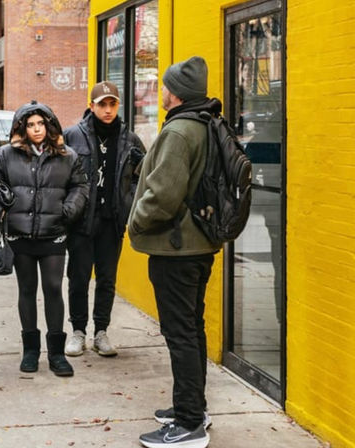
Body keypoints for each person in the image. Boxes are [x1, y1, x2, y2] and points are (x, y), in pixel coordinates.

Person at [128, 56, 218, 448]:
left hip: (176, 250)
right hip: (199, 245)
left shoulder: (180, 131)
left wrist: (135, 223)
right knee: (191, 330)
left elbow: (163, 195)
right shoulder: (207, 122)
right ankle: (192, 407)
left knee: (179, 333)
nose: (161, 90)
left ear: (176, 92)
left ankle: (188, 425)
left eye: (165, 85)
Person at [0, 101, 88, 377]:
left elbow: (81, 185)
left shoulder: (67, 155)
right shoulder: (5, 155)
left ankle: (57, 354)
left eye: (41, 123)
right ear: (21, 128)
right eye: (30, 125)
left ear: (49, 125)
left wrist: (68, 210)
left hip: (54, 234)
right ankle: (31, 351)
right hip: (20, 235)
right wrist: (0, 213)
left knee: (52, 289)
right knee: (26, 290)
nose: (36, 129)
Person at [63, 81, 145, 358]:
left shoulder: (129, 139)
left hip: (112, 220)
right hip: (82, 221)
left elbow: (143, 177)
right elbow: (60, 176)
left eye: (112, 104)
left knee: (107, 279)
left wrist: (129, 201)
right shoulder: (73, 136)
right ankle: (77, 331)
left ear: (118, 105)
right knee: (79, 278)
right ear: (92, 106)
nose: (108, 110)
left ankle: (101, 331)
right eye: (102, 105)